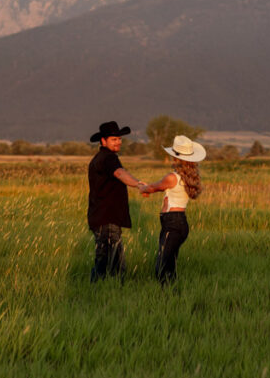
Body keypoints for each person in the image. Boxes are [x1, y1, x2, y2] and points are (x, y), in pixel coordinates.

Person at [87, 120, 148, 282]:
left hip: (104, 216)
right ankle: (102, 290)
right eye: (114, 139)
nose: (119, 142)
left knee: (112, 259)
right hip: (106, 217)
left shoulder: (102, 157)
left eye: (119, 139)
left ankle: (109, 289)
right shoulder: (108, 158)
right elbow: (120, 173)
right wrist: (138, 184)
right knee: (107, 259)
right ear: (103, 141)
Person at [141, 134, 206, 285]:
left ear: (176, 158)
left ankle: (168, 297)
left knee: (162, 267)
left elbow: (154, 187)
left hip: (173, 222)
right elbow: (159, 188)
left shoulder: (172, 177)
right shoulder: (188, 178)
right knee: (170, 263)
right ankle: (172, 295)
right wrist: (149, 189)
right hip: (179, 223)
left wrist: (143, 187)